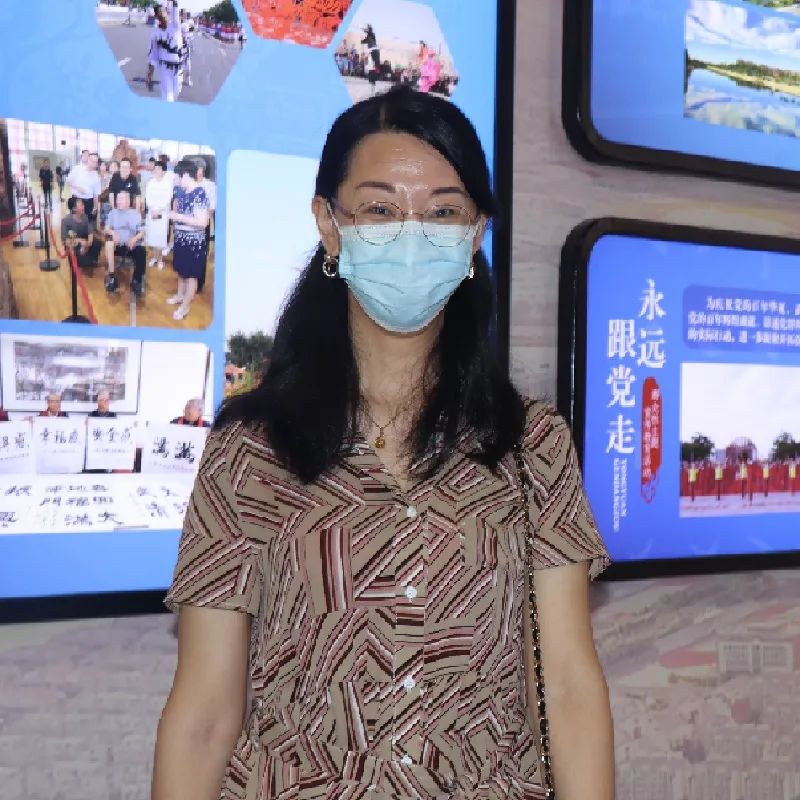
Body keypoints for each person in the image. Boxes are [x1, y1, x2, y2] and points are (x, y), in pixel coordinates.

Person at [153, 87, 614, 800]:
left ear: (476, 234)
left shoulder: (533, 445)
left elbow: (569, 688)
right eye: (379, 209)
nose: (411, 234)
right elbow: (204, 715)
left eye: (442, 212)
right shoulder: (249, 449)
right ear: (330, 225)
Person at [166, 158, 209, 321]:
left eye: (177, 177)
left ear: (185, 175)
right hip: (181, 239)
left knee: (191, 276)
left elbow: (203, 222)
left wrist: (178, 217)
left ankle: (185, 307)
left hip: (193, 243)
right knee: (181, 271)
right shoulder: (184, 193)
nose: (176, 181)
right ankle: (179, 296)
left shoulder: (200, 194)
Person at [103, 190, 146, 297]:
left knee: (141, 251)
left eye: (121, 199)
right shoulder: (113, 213)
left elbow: (142, 232)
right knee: (108, 244)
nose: (118, 201)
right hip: (117, 245)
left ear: (128, 201)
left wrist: (134, 239)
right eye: (117, 199)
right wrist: (112, 232)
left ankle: (136, 280)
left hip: (131, 245)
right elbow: (106, 228)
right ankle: (112, 277)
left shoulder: (135, 214)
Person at [151, 0, 186, 103]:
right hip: (164, 67)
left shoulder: (175, 25)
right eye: (158, 12)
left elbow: (175, 10)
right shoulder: (156, 31)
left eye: (162, 11)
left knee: (176, 94)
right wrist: (150, 71)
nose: (161, 14)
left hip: (178, 68)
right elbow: (153, 53)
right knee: (168, 97)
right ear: (156, 16)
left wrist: (174, 2)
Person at [145, 159, 172, 269]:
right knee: (152, 237)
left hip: (162, 213)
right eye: (155, 168)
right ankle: (154, 257)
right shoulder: (150, 183)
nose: (156, 170)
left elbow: (167, 199)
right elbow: (147, 198)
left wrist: (158, 209)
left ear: (164, 171)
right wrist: (153, 209)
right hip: (152, 213)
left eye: (159, 169)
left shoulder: (167, 184)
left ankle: (160, 259)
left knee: (161, 237)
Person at [61, 197, 102, 269]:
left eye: (83, 204)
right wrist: (80, 241)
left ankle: (92, 261)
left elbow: (90, 232)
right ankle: (85, 262)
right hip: (74, 245)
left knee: (97, 243)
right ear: (74, 209)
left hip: (85, 244)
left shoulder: (85, 217)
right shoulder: (66, 221)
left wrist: (88, 243)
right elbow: (64, 241)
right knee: (82, 262)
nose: (83, 206)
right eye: (81, 205)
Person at [196, 159, 216, 292]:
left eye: (198, 169)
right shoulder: (190, 183)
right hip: (190, 223)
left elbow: (212, 206)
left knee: (201, 253)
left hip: (203, 223)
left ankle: (199, 282)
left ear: (203, 170)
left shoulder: (210, 185)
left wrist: (203, 218)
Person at [67, 151, 101, 219]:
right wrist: (77, 188)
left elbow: (96, 193)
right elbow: (68, 181)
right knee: (76, 222)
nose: (94, 164)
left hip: (89, 203)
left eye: (96, 162)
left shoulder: (96, 176)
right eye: (92, 161)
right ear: (88, 160)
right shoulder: (77, 169)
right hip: (77, 201)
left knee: (89, 222)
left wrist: (95, 207)